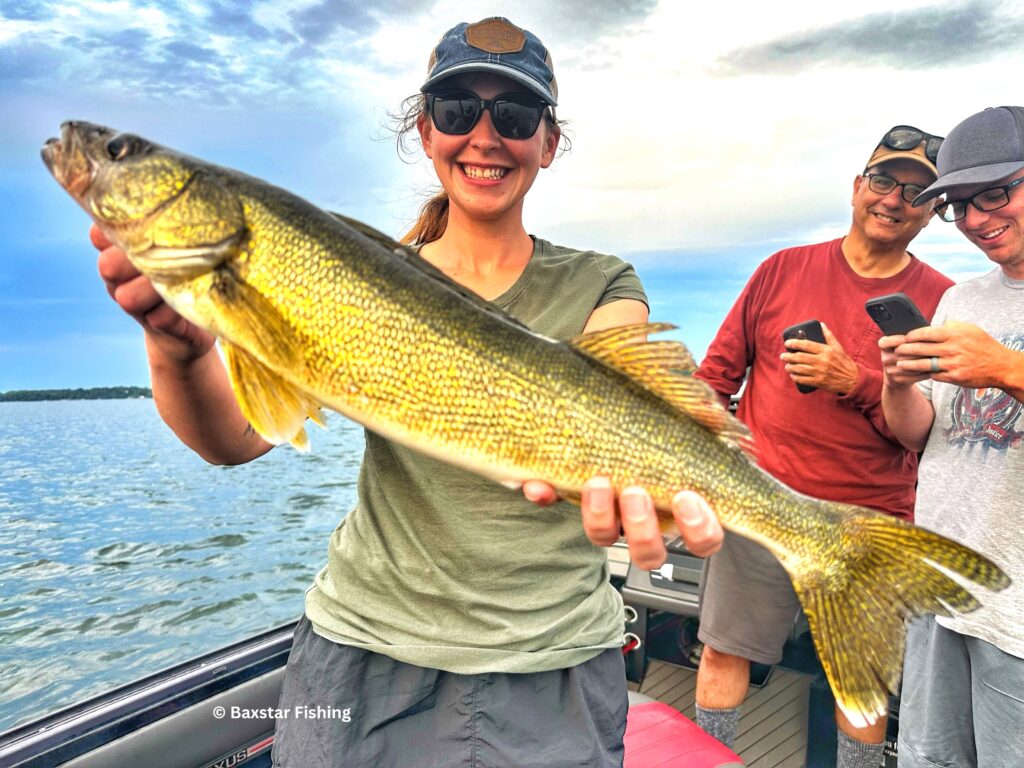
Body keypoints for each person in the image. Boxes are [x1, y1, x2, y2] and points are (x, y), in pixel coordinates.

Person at [90, 17, 722, 767]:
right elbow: (233, 441)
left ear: (547, 144)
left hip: (550, 664)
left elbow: (631, 395)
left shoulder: (601, 282)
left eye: (514, 116)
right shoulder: (350, 276)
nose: (485, 135)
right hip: (364, 649)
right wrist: (177, 344)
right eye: (458, 112)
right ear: (426, 132)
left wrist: (668, 487)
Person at [693, 126, 953, 767]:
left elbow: (929, 432)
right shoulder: (781, 268)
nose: (895, 199)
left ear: (933, 212)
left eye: (918, 192)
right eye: (885, 180)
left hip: (870, 524)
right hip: (759, 505)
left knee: (857, 681)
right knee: (724, 653)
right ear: (858, 186)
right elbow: (715, 380)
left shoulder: (944, 300)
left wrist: (854, 381)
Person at [879, 106, 1024, 768]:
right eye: (958, 205)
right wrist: (898, 384)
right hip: (937, 586)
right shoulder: (960, 299)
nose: (975, 220)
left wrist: (1005, 368)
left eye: (995, 193)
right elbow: (920, 436)